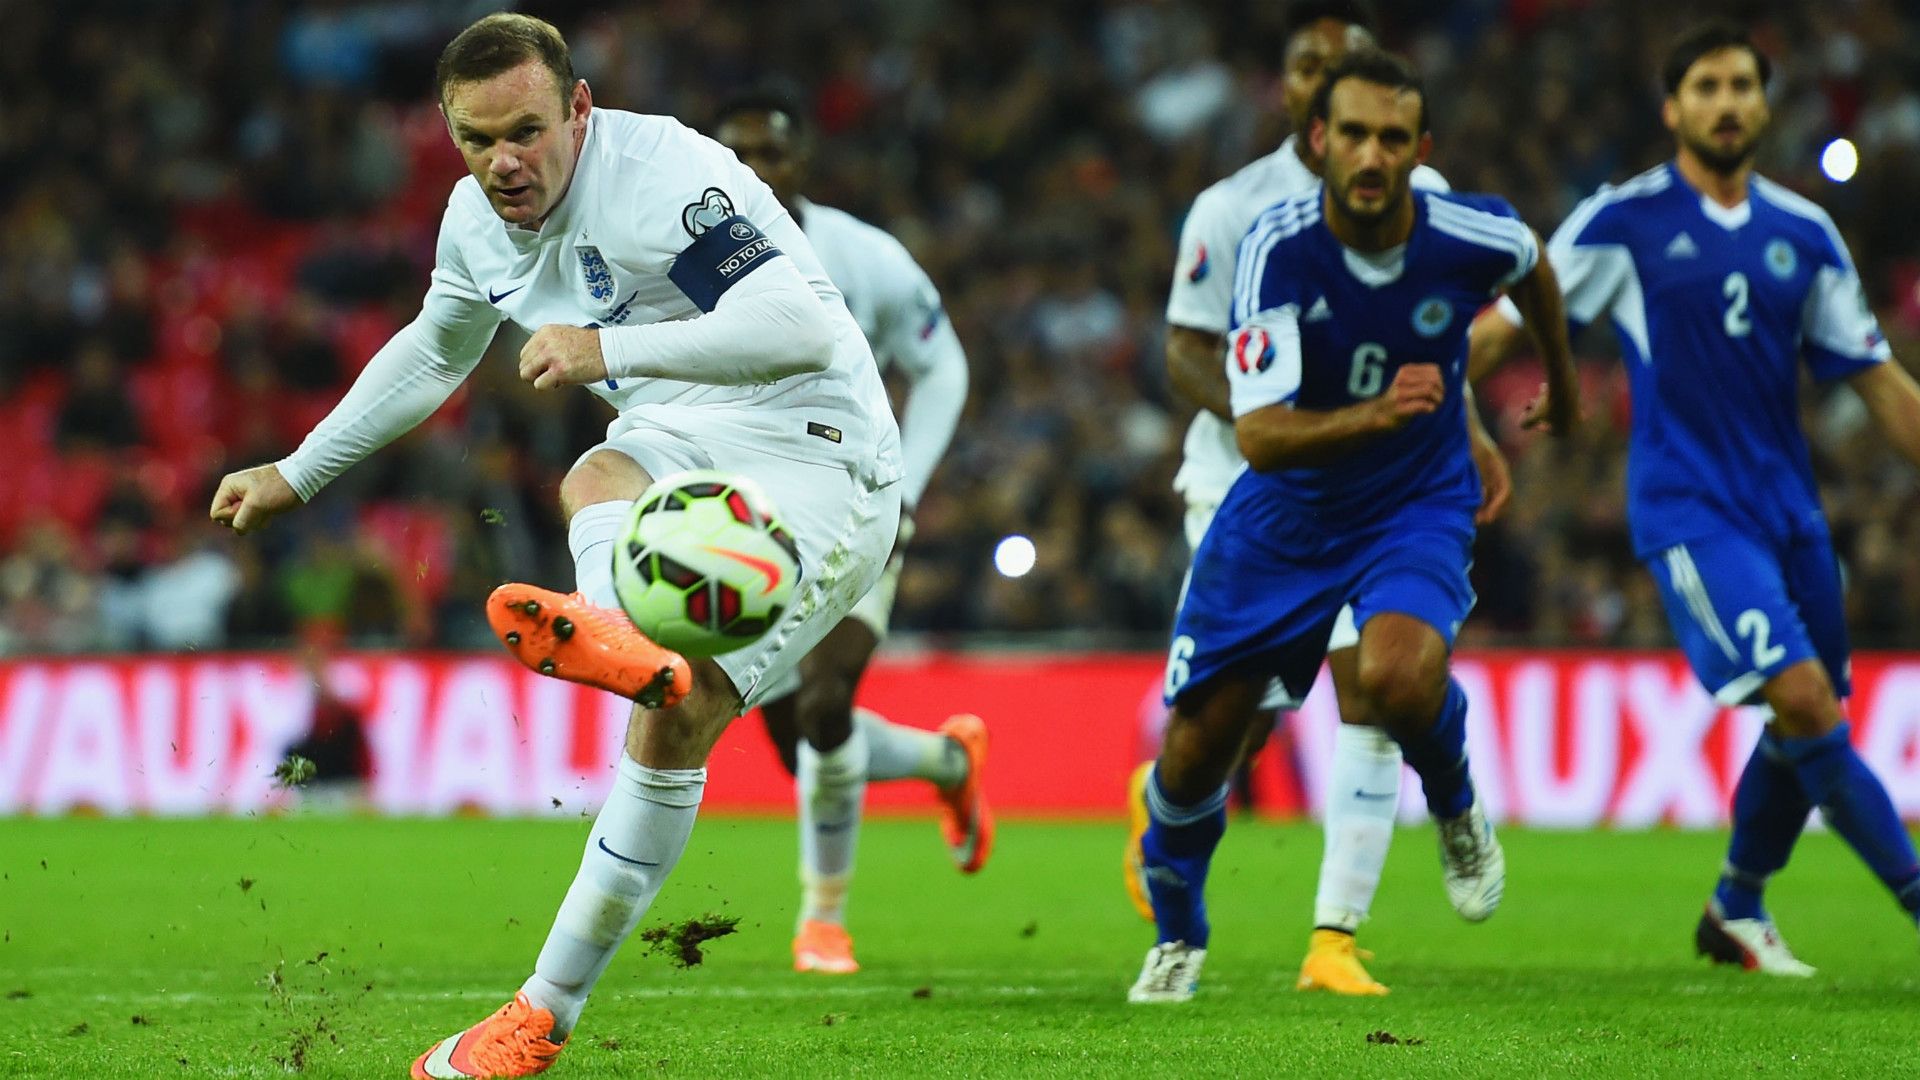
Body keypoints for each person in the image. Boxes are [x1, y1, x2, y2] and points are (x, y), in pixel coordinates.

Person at [208, 14, 904, 1078]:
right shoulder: (473, 221)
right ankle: (617, 634)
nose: (505, 162)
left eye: (527, 131)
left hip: (818, 443)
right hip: (685, 431)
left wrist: (604, 348)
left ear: (579, 109)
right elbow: (432, 354)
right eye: (477, 140)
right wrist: (297, 472)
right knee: (596, 477)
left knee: (681, 718)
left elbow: (804, 329)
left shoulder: (665, 170)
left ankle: (542, 1011)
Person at [1128, 49, 1580, 1004]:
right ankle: (1179, 933)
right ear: (1321, 141)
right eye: (1357, 135)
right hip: (1283, 518)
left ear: (1422, 149)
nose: (1374, 155)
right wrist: (1377, 413)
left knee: (1396, 676)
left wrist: (1564, 388)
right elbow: (1259, 433)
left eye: (1394, 137)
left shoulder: (1469, 231)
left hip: (1412, 507)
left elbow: (1535, 269)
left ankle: (1455, 806)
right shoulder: (1278, 247)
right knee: (1195, 752)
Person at [1471, 21, 1920, 976]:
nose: (1725, 102)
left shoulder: (1805, 233)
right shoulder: (1621, 222)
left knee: (1812, 715)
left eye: (1741, 86)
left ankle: (1735, 907)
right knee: (1803, 700)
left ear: (1765, 105)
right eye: (1706, 87)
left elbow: (1879, 382)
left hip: (1792, 515)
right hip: (1690, 510)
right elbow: (1501, 329)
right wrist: (1433, 410)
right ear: (1673, 108)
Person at [710, 89, 992, 976]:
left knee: (828, 708)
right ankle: (950, 760)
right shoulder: (685, 267)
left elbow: (942, 364)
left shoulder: (864, 257)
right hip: (750, 528)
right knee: (806, 748)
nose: (756, 169)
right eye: (738, 154)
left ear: (802, 163)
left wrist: (908, 476)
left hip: (859, 506)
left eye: (773, 152)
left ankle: (821, 921)